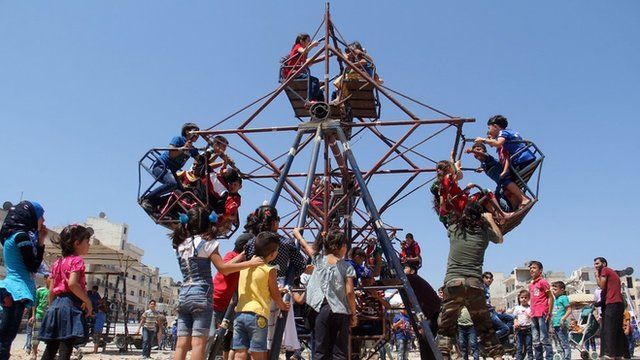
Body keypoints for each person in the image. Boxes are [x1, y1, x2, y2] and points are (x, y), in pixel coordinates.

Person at [170, 207, 263, 360]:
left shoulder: (181, 245)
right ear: (207, 223)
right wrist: (250, 263)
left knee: (181, 343)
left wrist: (240, 257)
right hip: (201, 294)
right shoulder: (208, 243)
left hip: (184, 294)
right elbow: (224, 269)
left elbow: (224, 266)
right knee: (199, 342)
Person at [436, 201, 504, 360]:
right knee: (485, 330)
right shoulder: (485, 232)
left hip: (453, 284)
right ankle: (497, 356)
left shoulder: (454, 228)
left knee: (446, 329)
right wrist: (490, 219)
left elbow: (443, 211)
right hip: (474, 285)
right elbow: (500, 239)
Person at [244, 206, 307, 354]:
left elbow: (249, 261)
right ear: (275, 222)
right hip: (279, 285)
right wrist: (290, 276)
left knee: (259, 337)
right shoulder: (285, 243)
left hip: (255, 287)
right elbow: (300, 265)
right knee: (278, 333)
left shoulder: (252, 243)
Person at [293, 228, 357, 360]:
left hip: (320, 309)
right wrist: (353, 314)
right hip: (341, 312)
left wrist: (297, 234)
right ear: (343, 246)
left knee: (320, 351)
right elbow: (350, 292)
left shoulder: (318, 259)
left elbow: (305, 246)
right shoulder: (347, 267)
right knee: (340, 352)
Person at [0, 201, 47, 360]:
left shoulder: (13, 235)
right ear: (31, 216)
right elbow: (33, 265)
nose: (43, 221)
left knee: (6, 334)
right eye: (41, 217)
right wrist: (41, 243)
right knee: (7, 335)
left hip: (12, 287)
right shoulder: (21, 236)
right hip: (17, 289)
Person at [232, 231, 290, 360]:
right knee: (257, 353)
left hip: (240, 313)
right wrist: (282, 305)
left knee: (240, 352)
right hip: (258, 315)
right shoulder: (270, 269)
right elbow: (274, 293)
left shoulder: (244, 268)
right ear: (273, 254)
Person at [39, 224, 93, 360]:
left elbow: (51, 290)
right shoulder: (77, 260)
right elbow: (73, 284)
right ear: (77, 243)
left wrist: (52, 307)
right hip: (69, 306)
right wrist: (88, 301)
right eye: (87, 241)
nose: (89, 244)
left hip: (55, 304)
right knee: (66, 347)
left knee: (51, 348)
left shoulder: (57, 262)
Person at [141, 122, 201, 212]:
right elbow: (171, 154)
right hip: (161, 167)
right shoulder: (179, 139)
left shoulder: (192, 149)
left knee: (183, 193)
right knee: (172, 184)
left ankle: (158, 203)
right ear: (187, 131)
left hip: (171, 172)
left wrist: (212, 152)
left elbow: (201, 160)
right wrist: (183, 148)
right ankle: (147, 199)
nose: (198, 134)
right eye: (195, 131)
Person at [212, 232, 254, 360]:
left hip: (225, 304)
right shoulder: (231, 255)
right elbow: (225, 268)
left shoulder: (242, 262)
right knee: (209, 337)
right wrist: (242, 256)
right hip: (215, 300)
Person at [466, 142, 530, 210]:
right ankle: (510, 209)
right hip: (500, 183)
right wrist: (482, 169)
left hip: (506, 178)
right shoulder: (483, 165)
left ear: (484, 151)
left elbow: (485, 157)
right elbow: (487, 167)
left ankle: (524, 198)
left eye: (479, 149)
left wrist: (472, 150)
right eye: (475, 152)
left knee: (505, 183)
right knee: (496, 194)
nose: (476, 152)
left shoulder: (487, 157)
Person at [594, 256, 629, 359]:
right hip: (616, 304)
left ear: (604, 264)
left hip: (613, 304)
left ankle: (609, 354)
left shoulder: (605, 270)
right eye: (595, 264)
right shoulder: (610, 273)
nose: (595, 266)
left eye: (597, 263)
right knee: (617, 330)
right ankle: (620, 354)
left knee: (609, 329)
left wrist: (596, 276)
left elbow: (601, 286)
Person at [281, 33, 323, 102]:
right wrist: (312, 45)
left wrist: (326, 55)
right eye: (308, 41)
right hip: (293, 73)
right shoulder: (297, 46)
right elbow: (305, 51)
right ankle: (311, 100)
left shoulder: (302, 56)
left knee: (319, 91)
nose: (309, 42)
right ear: (301, 41)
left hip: (297, 73)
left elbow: (309, 62)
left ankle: (320, 104)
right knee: (314, 81)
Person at [527, 261, 553, 360]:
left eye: (534, 268)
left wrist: (549, 313)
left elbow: (550, 297)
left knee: (544, 338)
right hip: (533, 314)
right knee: (536, 340)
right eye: (530, 268)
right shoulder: (531, 284)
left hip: (542, 313)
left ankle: (549, 358)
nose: (531, 270)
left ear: (540, 270)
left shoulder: (543, 282)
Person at [482, 272, 511, 340]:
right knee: (505, 329)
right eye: (486, 278)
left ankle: (500, 339)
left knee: (510, 318)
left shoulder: (487, 288)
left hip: (493, 311)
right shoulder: (482, 287)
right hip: (488, 313)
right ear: (482, 278)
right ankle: (489, 339)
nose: (489, 280)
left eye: (490, 278)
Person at [29, 274, 51, 360]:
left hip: (50, 317)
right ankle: (34, 353)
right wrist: (33, 315)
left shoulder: (55, 291)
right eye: (50, 278)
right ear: (45, 279)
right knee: (36, 335)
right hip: (39, 314)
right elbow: (35, 303)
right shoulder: (40, 290)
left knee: (50, 336)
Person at [550, 281, 571, 360]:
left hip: (561, 324)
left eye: (555, 289)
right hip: (555, 324)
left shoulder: (563, 298)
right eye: (553, 289)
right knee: (559, 343)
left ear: (562, 290)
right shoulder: (555, 299)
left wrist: (563, 319)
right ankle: (563, 357)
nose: (553, 291)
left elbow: (569, 310)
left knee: (564, 343)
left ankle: (567, 358)